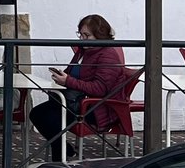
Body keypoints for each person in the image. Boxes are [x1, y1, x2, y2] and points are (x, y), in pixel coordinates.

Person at [30, 15, 126, 160]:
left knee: (51, 119)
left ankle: (60, 159)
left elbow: (100, 89)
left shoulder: (108, 55)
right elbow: (72, 73)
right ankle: (64, 151)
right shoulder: (83, 52)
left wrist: (68, 81)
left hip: (94, 107)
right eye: (80, 34)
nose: (82, 39)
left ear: (99, 35)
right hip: (75, 102)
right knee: (36, 113)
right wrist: (62, 76)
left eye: (87, 35)